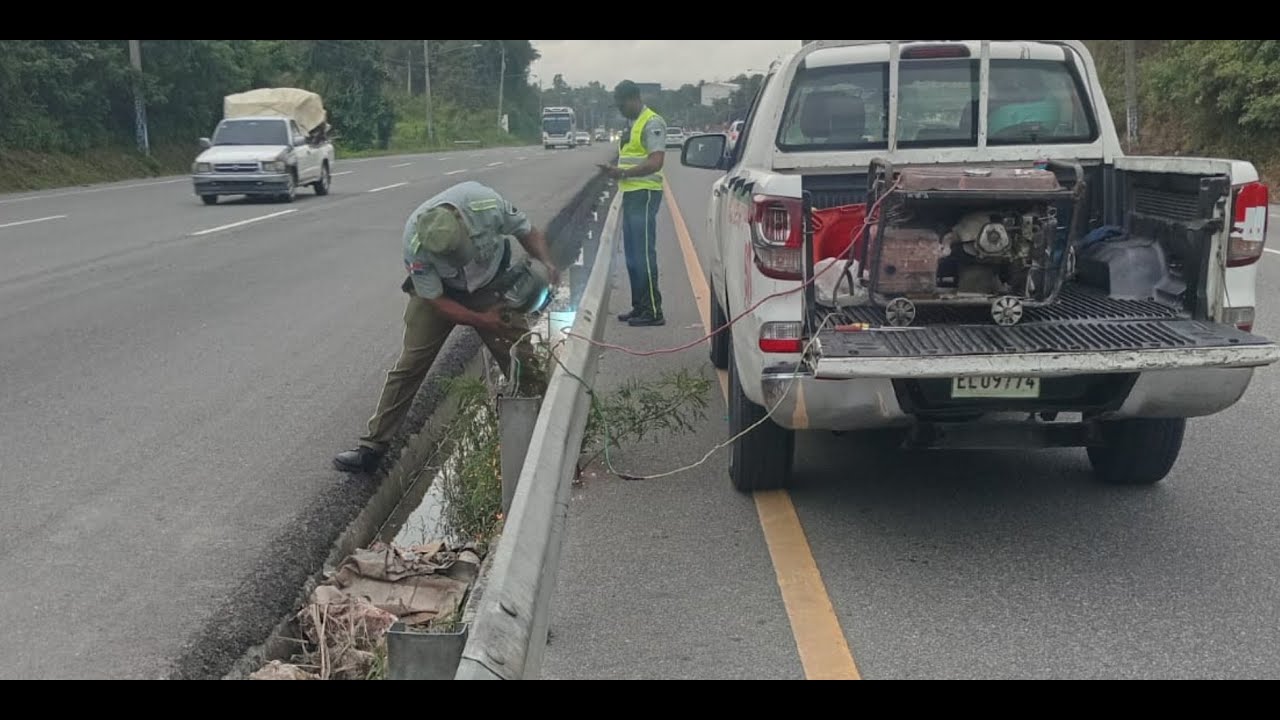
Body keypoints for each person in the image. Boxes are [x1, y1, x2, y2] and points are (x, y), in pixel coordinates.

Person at [333, 181, 558, 473]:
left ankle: (549, 434)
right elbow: (436, 300)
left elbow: (527, 232)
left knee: (520, 356)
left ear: (464, 224)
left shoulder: (486, 205)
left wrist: (548, 263)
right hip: (441, 293)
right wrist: (480, 319)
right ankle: (373, 447)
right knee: (411, 364)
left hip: (491, 284)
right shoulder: (415, 241)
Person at [598, 80, 667, 327]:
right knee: (632, 255)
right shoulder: (634, 124)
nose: (620, 111)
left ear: (632, 99)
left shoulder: (652, 122)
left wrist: (623, 173)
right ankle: (640, 306)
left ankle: (653, 310)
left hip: (645, 193)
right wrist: (616, 171)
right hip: (631, 194)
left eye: (621, 105)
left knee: (644, 254)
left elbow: (656, 161)